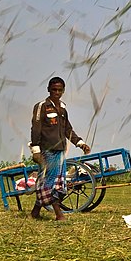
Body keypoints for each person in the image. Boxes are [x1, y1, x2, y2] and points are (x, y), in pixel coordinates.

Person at [29, 76, 91, 221]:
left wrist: (80, 143)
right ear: (48, 90)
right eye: (54, 90)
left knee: (59, 182)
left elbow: (67, 129)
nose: (57, 92)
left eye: (59, 90)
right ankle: (59, 214)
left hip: (61, 150)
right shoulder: (41, 106)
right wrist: (36, 150)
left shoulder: (63, 108)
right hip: (47, 150)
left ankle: (35, 212)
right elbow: (36, 128)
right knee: (50, 182)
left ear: (63, 91)